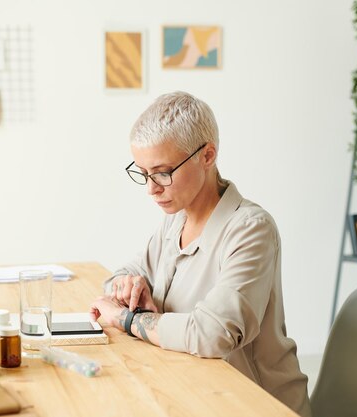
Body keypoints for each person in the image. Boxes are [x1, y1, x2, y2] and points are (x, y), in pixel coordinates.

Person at [90, 91, 311, 417]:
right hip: (190, 391)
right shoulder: (174, 221)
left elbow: (212, 334)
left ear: (207, 156)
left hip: (254, 404)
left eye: (163, 172)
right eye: (144, 173)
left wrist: (127, 318)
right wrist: (128, 286)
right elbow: (120, 276)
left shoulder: (251, 229)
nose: (152, 188)